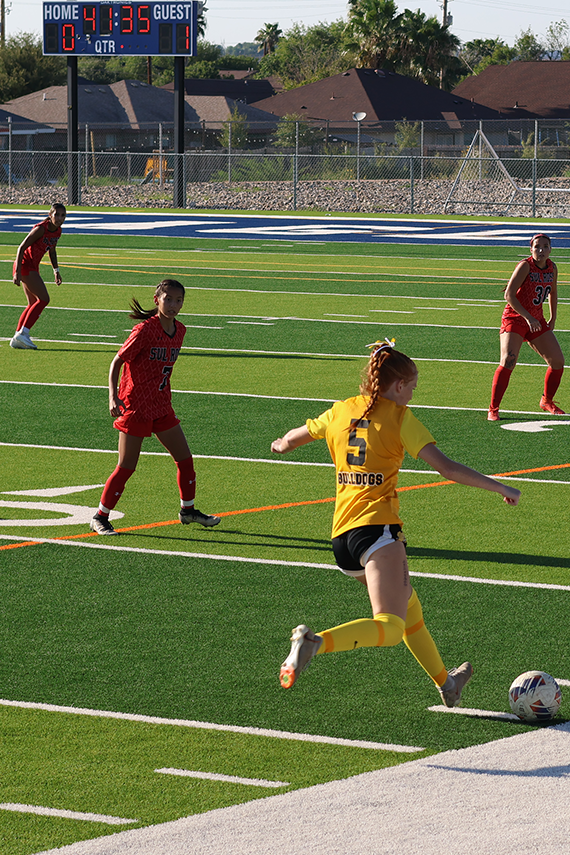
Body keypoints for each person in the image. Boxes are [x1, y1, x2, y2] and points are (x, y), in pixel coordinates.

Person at [272, 340, 520, 706]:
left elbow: (296, 437)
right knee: (390, 627)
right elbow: (447, 468)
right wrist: (500, 486)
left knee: (409, 607)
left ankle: (447, 684)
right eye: (413, 388)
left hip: (343, 538)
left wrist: (281, 444)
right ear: (398, 385)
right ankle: (315, 643)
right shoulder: (401, 418)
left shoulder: (341, 411)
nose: (413, 396)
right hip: (379, 532)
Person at [90, 279, 220, 535]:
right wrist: (113, 397)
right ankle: (99, 517)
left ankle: (188, 511)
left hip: (161, 405)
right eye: (168, 299)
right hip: (136, 406)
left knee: (185, 459)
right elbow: (117, 361)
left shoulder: (180, 330)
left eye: (178, 300)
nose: (173, 305)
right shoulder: (144, 330)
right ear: (157, 299)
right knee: (126, 466)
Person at [488, 233, 565, 421]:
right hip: (515, 319)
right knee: (508, 360)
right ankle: (493, 408)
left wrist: (553, 318)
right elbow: (509, 295)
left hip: (536, 320)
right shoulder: (525, 266)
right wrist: (528, 317)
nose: (541, 250)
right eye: (537, 246)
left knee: (558, 361)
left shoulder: (552, 267)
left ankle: (547, 401)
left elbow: (553, 292)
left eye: (545, 246)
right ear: (531, 249)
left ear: (550, 249)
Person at [10, 202, 67, 350]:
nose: (60, 218)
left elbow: (52, 251)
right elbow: (21, 247)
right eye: (57, 215)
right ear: (50, 215)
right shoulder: (41, 229)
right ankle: (23, 333)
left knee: (32, 303)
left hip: (32, 266)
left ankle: (18, 336)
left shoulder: (58, 231)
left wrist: (56, 271)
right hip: (24, 265)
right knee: (44, 299)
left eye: (63, 215)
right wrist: (17, 273)